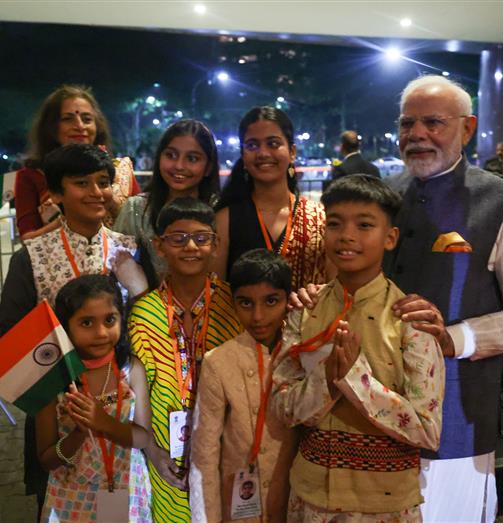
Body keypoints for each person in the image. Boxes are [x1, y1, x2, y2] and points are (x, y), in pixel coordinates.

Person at [384, 75, 503, 522]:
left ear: (468, 128)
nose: (417, 134)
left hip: (457, 415)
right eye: (407, 124)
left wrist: (456, 338)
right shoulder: (387, 196)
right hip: (378, 414)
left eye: (433, 123)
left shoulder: (502, 202)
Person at [271, 174, 445, 521]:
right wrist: (326, 379)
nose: (347, 235)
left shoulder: (410, 319)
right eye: (335, 224)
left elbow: (427, 430)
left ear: (390, 237)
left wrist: (355, 379)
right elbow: (282, 408)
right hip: (309, 499)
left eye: (365, 225)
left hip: (384, 504)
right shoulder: (305, 310)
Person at [0, 143, 146, 518]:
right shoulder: (32, 254)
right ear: (57, 193)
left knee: (125, 492)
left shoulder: (130, 250)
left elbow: (143, 318)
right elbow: (6, 328)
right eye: (82, 183)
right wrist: (51, 385)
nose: (96, 192)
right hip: (57, 402)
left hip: (121, 398)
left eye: (104, 182)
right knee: (58, 491)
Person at [128, 197, 243, 522]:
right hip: (167, 458)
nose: (190, 246)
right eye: (177, 239)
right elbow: (139, 391)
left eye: (201, 238)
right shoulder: (143, 313)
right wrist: (152, 449)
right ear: (159, 247)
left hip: (225, 453)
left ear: (216, 245)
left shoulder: (233, 306)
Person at [190, 249, 298, 523]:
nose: (258, 316)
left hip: (294, 499)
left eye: (271, 301)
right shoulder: (219, 361)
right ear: (233, 302)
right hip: (238, 504)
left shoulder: (302, 353)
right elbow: (205, 454)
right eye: (246, 303)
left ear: (288, 299)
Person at [36, 274, 151, 522]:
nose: (101, 332)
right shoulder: (53, 380)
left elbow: (142, 437)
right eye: (86, 323)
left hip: (126, 490)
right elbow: (46, 460)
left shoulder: (130, 369)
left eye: (110, 320)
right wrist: (78, 434)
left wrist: (103, 423)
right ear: (65, 327)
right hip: (73, 500)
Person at [214, 106, 331, 290]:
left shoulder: (320, 217)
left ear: (292, 152)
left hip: (312, 318)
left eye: (273, 143)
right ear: (243, 156)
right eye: (252, 145)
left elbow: (335, 290)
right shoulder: (225, 221)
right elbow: (215, 296)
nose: (263, 153)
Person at [15, 85, 138, 240]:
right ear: (50, 127)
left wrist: (108, 200)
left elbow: (141, 225)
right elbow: (28, 239)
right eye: (68, 119)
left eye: (87, 119)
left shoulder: (121, 171)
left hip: (119, 261)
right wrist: (72, 220)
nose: (80, 126)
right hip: (56, 261)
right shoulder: (32, 176)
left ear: (97, 126)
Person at [115, 120, 220, 285]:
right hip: (144, 306)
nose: (179, 166)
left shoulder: (220, 210)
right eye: (171, 155)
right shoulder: (136, 209)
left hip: (212, 307)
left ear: (208, 167)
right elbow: (118, 270)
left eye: (192, 158)